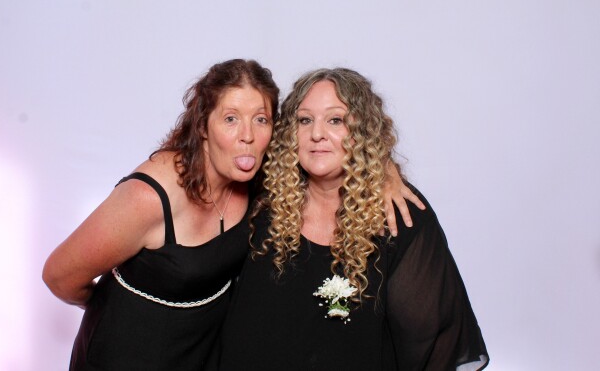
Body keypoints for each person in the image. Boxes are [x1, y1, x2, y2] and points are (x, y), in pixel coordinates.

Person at [43, 59, 421, 371]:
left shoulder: (258, 174)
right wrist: (111, 308)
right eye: (230, 119)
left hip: (203, 356)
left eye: (261, 119)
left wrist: (384, 170)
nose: (247, 136)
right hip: (128, 357)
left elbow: (327, 152)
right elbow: (60, 276)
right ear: (202, 126)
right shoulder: (150, 197)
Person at [217, 68, 489, 370]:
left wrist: (384, 169)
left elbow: (434, 341)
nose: (317, 134)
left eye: (336, 120)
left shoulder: (397, 216)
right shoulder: (262, 199)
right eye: (305, 120)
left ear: (363, 132)